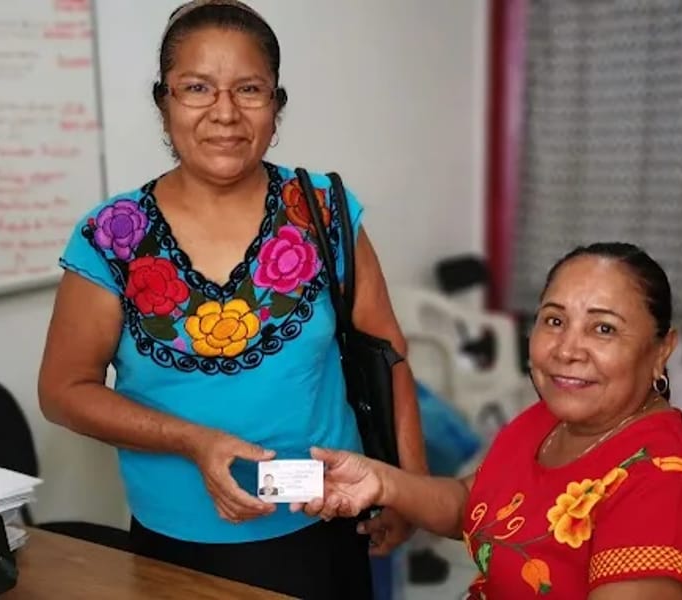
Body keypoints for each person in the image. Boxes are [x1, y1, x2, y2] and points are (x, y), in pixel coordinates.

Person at [37, 1, 427, 598]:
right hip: (178, 538)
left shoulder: (323, 209)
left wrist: (409, 486)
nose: (225, 112)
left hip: (326, 518)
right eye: (197, 87)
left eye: (249, 89)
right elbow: (64, 390)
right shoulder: (113, 234)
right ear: (164, 102)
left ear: (276, 105)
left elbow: (387, 353)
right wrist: (190, 440)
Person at [294, 242, 682, 600]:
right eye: (554, 320)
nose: (567, 349)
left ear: (662, 350)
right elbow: (471, 505)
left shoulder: (665, 480)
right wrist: (382, 483)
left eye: (603, 328)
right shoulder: (546, 421)